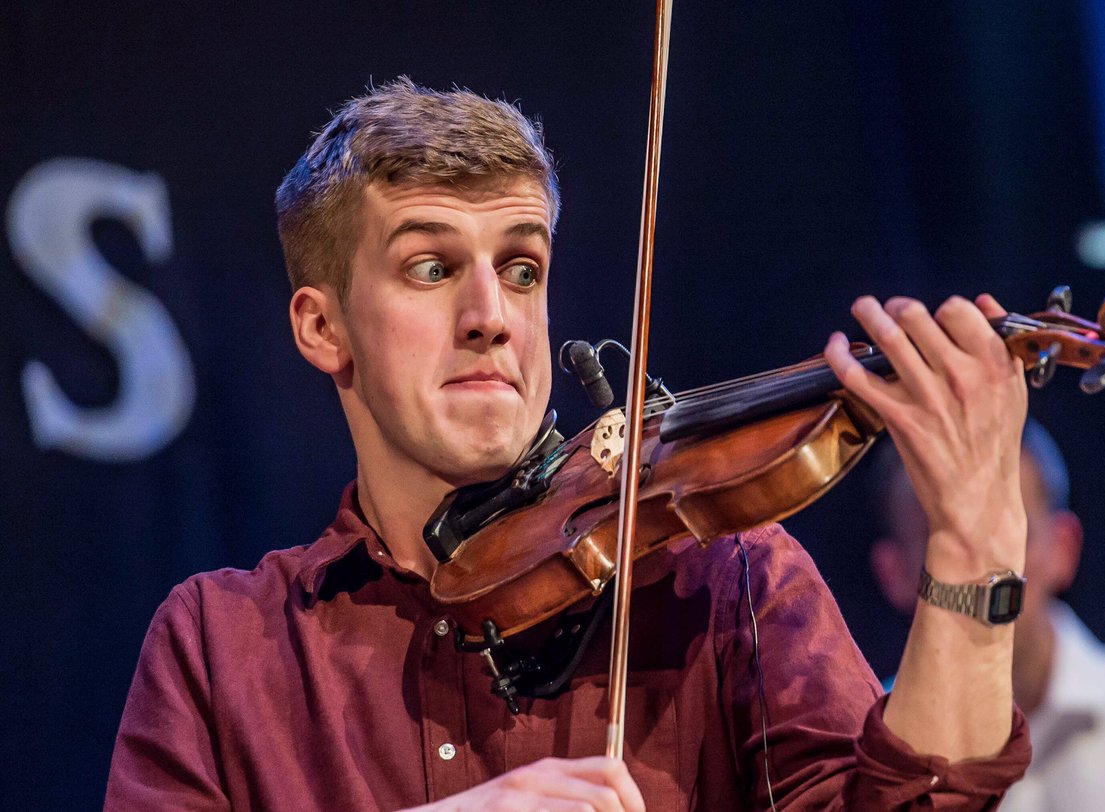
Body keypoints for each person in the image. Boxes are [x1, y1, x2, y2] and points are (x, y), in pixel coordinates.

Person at [106, 77, 1034, 810]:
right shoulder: (221, 646)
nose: (490, 318)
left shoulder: (722, 577)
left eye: (521, 268)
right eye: (429, 268)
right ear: (322, 327)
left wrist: (974, 553)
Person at [870, 422, 1105, 811]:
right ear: (893, 573)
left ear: (1064, 548)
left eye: (1005, 536)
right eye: (943, 543)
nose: (982, 573)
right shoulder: (859, 765)